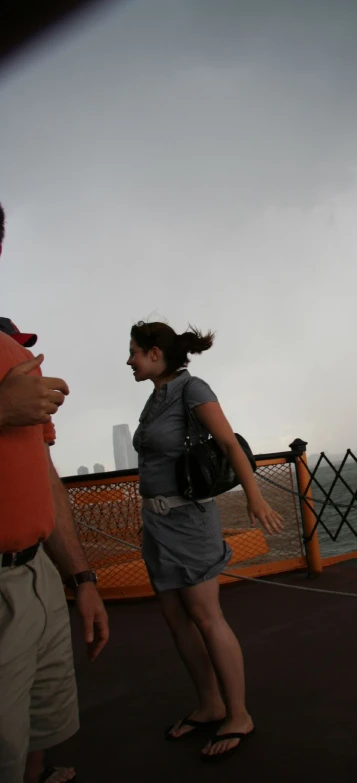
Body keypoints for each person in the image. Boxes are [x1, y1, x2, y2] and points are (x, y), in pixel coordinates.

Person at [128, 320, 284, 761]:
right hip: (156, 524)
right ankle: (209, 703)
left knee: (206, 616)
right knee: (176, 618)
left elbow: (231, 444)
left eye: (135, 352)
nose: (129, 360)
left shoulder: (192, 389)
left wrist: (254, 497)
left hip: (190, 521)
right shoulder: (155, 398)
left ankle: (239, 713)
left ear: (156, 353)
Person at [0, 202, 110, 783]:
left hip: (37, 576)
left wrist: (81, 578)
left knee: (37, 724)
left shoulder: (15, 354)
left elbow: (44, 475)